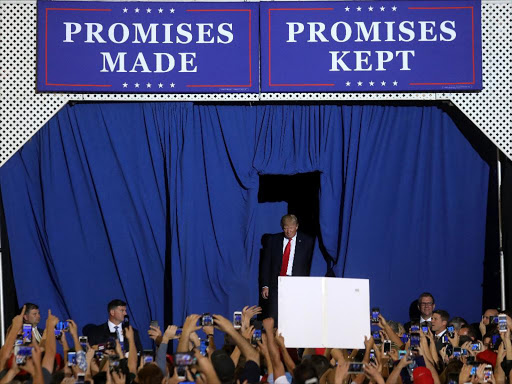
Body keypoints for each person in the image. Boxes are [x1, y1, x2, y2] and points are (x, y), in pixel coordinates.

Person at [260, 214, 315, 324]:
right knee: (274, 316)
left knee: (295, 315)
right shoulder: (273, 240)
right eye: (285, 228)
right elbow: (266, 265)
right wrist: (265, 285)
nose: (288, 231)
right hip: (277, 282)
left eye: (291, 227)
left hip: (297, 283)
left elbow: (310, 265)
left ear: (297, 226)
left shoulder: (307, 241)